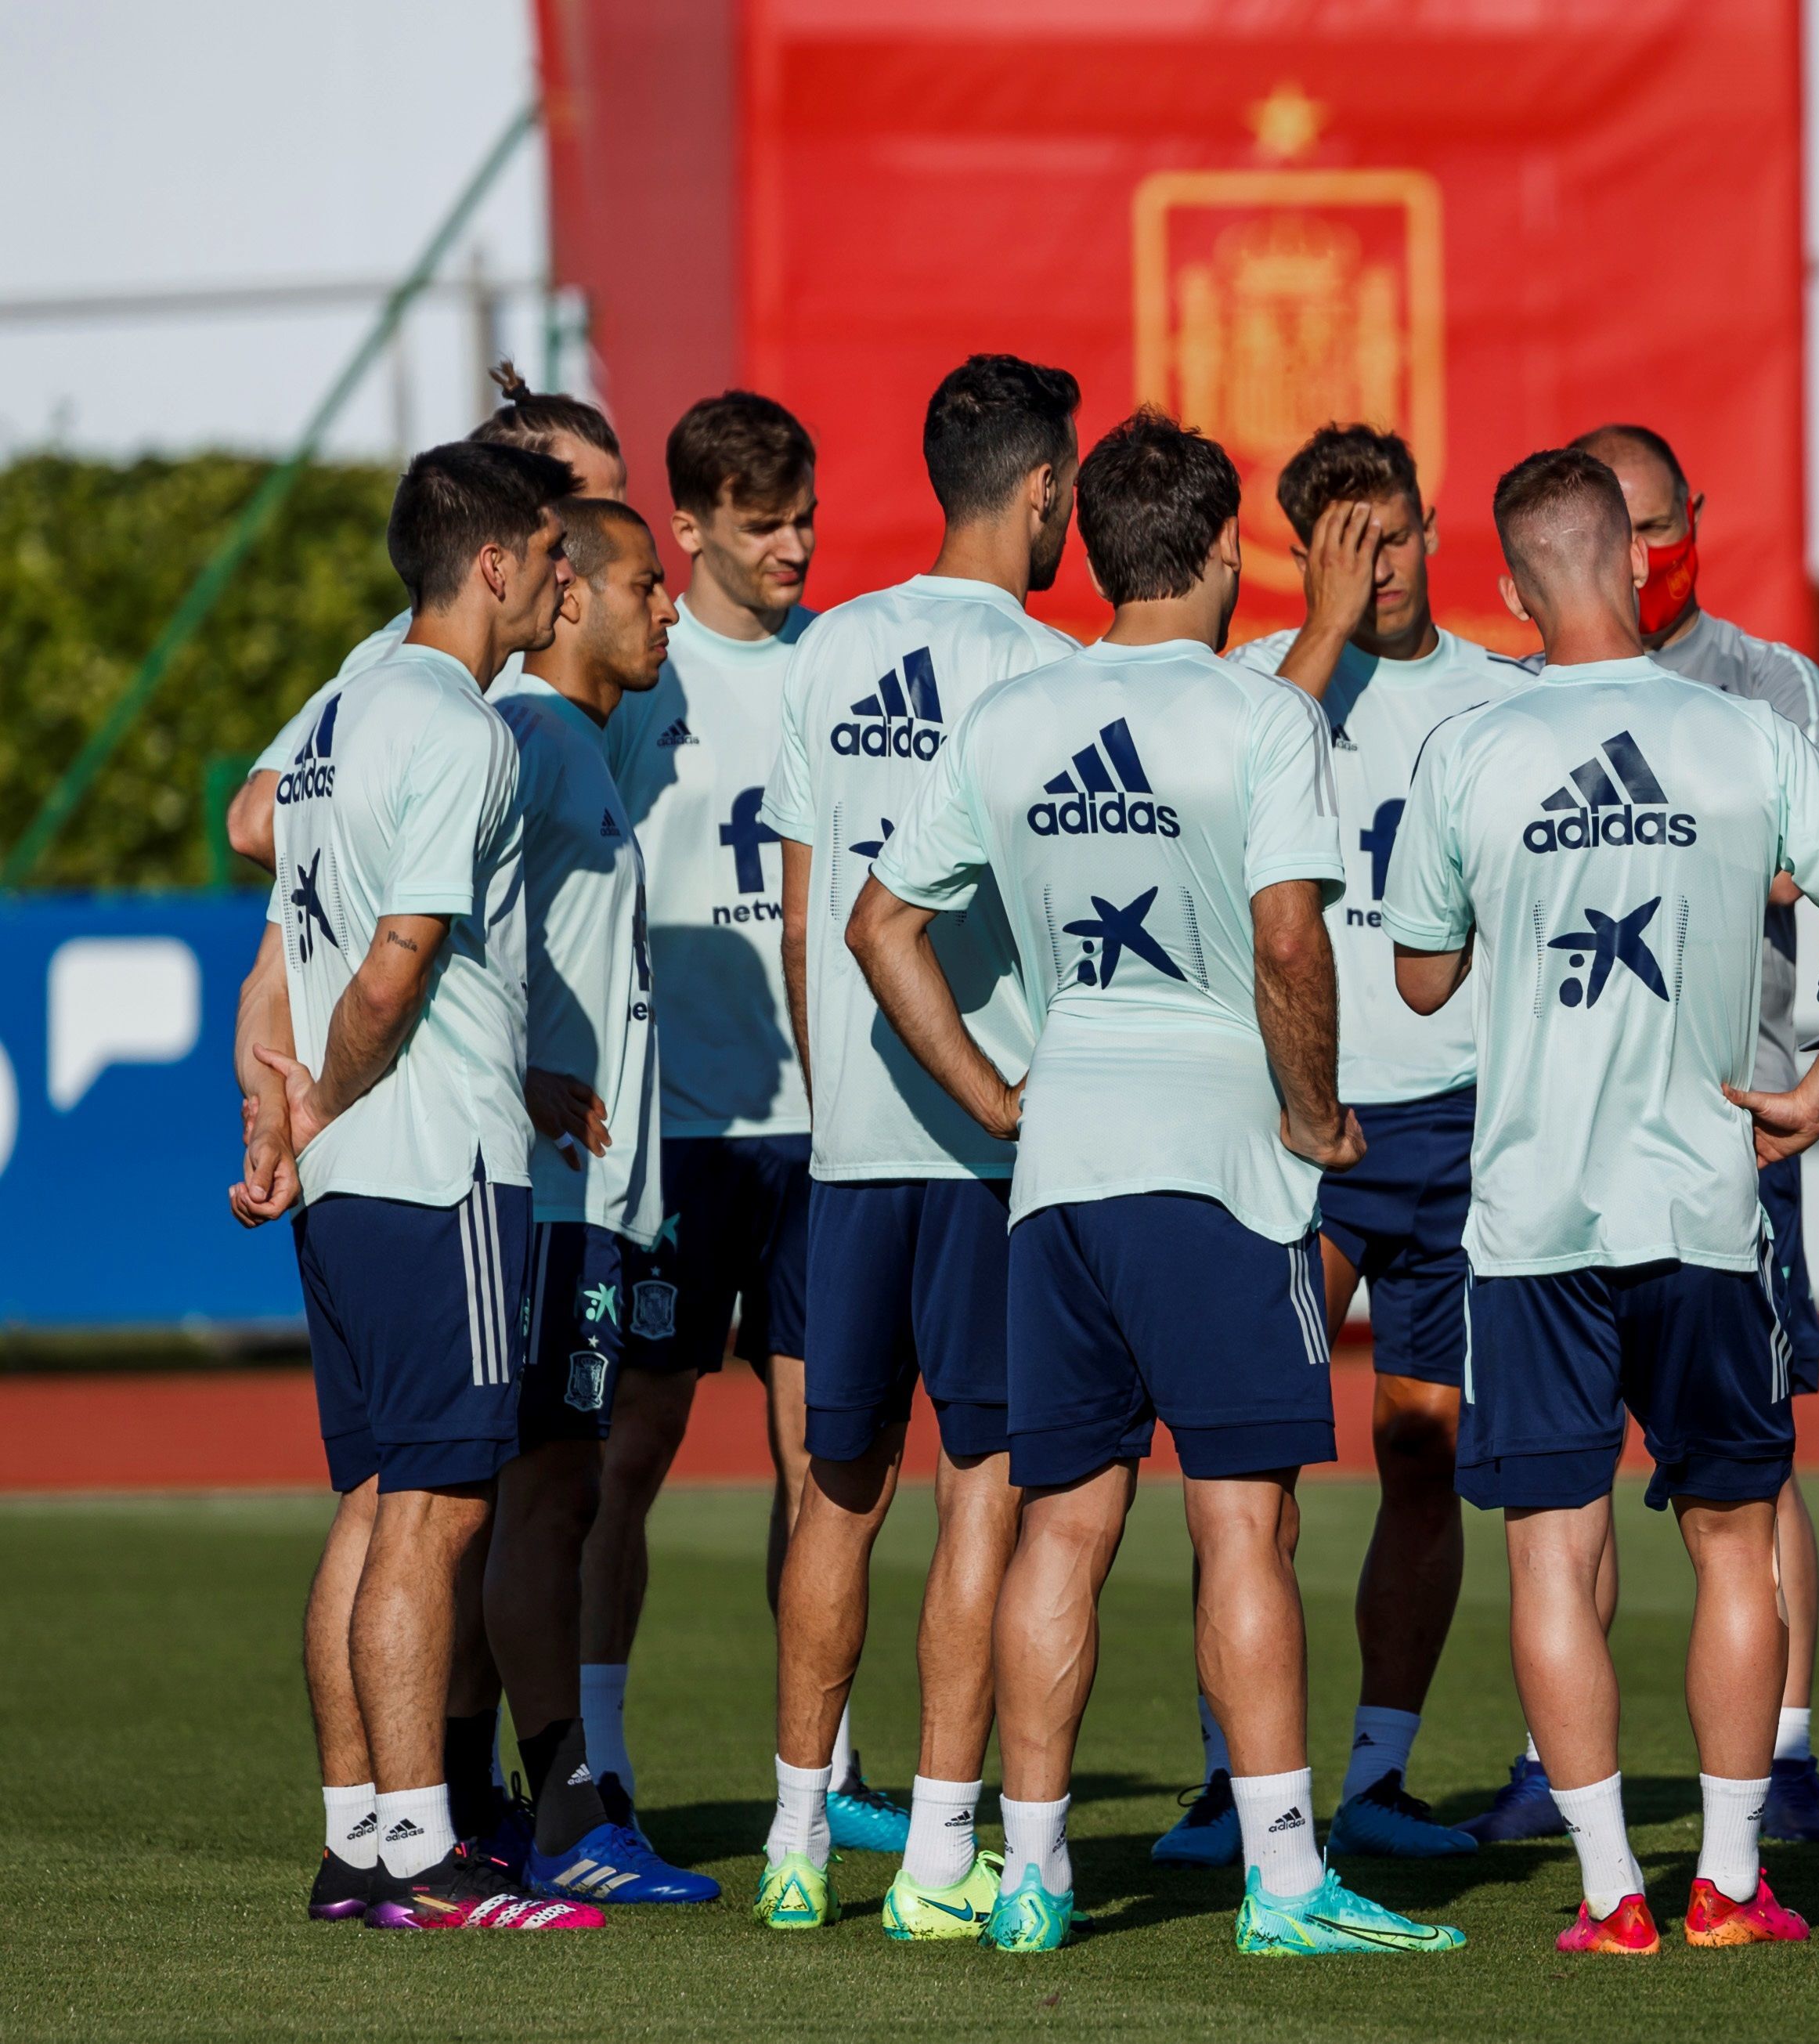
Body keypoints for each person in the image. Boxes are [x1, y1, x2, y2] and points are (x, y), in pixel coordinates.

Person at [850, 406, 1463, 1957]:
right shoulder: (1265, 720)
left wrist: (994, 1094)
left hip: (1059, 1169)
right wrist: (1317, 1113)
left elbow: (879, 928)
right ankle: (1280, 1880)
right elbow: (1283, 938)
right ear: (1214, 552)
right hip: (1217, 1166)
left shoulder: (1008, 717)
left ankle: (1034, 1877)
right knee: (1241, 1523)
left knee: (1064, 1521)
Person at [1380, 447, 1819, 1953]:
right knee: (1734, 1540)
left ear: (1505, 589)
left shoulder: (1468, 750)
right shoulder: (1740, 735)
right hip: (1700, 1206)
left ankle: (1613, 1893)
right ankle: (1734, 1881)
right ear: (1634, 563)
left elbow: (1419, 972)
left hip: (1530, 1220)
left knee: (1553, 1551)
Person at [227, 371, 633, 1865]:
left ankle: (359, 1840)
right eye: (549, 552)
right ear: (493, 564)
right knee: (443, 1509)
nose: (562, 577)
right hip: (434, 1161)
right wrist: (337, 1084)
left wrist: (306, 1114)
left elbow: (279, 864)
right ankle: (423, 1842)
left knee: (386, 1501)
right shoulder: (467, 726)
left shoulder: (341, 711)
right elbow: (396, 965)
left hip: (357, 1170)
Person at [1455, 421, 1819, 1848]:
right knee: (1689, 1508)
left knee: (1738, 1474)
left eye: (1663, 516)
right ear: (1618, 548)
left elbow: (1425, 961)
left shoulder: (1760, 686)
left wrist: (1805, 1087)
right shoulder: (1595, 720)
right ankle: (1635, 1818)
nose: (1654, 543)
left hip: (1714, 1135)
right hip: (1681, 1167)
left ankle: (1751, 1779)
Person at [1142, 423, 1523, 1870]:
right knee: (1253, 1469)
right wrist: (1321, 630)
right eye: (1353, 542)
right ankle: (1232, 1781)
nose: (1389, 565)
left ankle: (1377, 1773)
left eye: (1405, 532)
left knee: (1423, 1453)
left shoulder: (1502, 696)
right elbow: (1227, 797)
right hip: (1295, 1126)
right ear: (1304, 554)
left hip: (1455, 1124)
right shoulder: (1251, 685)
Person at [749, 356, 1085, 1937]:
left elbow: (811, 913)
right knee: (986, 1493)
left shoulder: (827, 653)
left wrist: (839, 1105)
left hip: (852, 1146)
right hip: (989, 1134)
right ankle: (941, 1855)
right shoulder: (1046, 667)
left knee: (837, 1494)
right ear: (1038, 494)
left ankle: (799, 1838)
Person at [590, 392, 877, 1836]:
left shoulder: (846, 663)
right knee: (627, 1449)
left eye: (805, 516)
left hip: (827, 1134)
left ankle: (822, 1773)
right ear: (687, 524)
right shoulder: (644, 675)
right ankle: (593, 1755)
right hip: (677, 1132)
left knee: (825, 1453)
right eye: (762, 523)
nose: (794, 545)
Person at [483, 496, 715, 1905]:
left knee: (545, 1489)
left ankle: (497, 1797)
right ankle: (566, 1810)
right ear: (566, 593)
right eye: (644, 582)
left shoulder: (572, 747)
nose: (666, 608)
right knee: (547, 1493)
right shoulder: (524, 745)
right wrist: (517, 1068)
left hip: (594, 1187)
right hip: (549, 1191)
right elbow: (444, 926)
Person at [227, 367, 626, 872]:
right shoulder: (413, 649)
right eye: (588, 510)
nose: (618, 533)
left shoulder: (625, 647)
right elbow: (258, 822)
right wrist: (424, 917)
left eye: (622, 507)